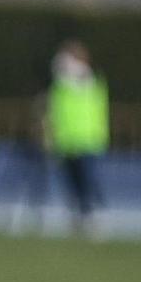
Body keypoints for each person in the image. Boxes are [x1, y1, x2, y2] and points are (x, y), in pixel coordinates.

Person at [47, 40, 108, 237]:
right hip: (66, 142)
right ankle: (77, 218)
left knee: (87, 182)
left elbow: (90, 100)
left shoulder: (89, 81)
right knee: (71, 183)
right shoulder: (60, 85)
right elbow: (55, 112)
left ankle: (92, 217)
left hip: (88, 141)